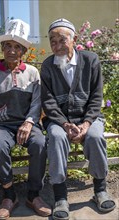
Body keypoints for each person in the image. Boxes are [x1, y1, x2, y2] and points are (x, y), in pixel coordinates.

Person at [41, 18, 116, 220]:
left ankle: (100, 190)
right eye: (52, 41)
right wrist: (65, 124)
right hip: (59, 120)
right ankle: (60, 197)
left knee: (95, 137)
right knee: (56, 138)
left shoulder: (91, 60)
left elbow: (96, 97)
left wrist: (85, 123)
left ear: (74, 39)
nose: (57, 46)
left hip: (88, 118)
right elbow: (48, 102)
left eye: (62, 40)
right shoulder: (48, 65)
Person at [0, 19, 51, 219]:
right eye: (8, 46)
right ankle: (9, 194)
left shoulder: (32, 72)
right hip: (1, 125)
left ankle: (33, 194)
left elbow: (37, 103)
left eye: (17, 47)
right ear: (3, 48)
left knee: (40, 143)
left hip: (26, 123)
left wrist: (29, 122)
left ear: (23, 51)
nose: (12, 50)